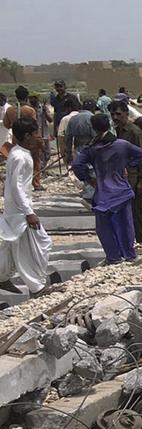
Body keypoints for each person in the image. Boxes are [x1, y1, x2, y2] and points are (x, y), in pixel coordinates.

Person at [71, 115, 142, 264]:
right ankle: (129, 254)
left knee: (105, 227)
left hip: (103, 192)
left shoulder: (92, 149)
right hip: (122, 189)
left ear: (94, 128)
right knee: (126, 224)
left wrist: (88, 179)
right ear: (109, 125)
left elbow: (77, 165)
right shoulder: (122, 144)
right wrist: (127, 164)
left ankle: (113, 256)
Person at [1, 118, 52, 294]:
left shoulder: (19, 153)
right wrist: (29, 212)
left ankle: (2, 277)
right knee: (38, 245)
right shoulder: (20, 157)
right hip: (19, 211)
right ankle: (36, 287)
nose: (39, 137)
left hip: (16, 209)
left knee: (12, 244)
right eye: (36, 133)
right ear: (27, 136)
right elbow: (16, 187)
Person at [110, 101, 142, 250]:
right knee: (135, 208)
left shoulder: (134, 132)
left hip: (138, 176)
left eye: (118, 113)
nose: (115, 117)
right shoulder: (120, 131)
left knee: (139, 209)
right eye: (113, 114)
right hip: (129, 176)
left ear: (126, 113)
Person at [64, 99, 97, 165]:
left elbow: (68, 138)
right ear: (93, 108)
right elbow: (96, 136)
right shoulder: (93, 118)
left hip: (78, 149)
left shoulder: (73, 119)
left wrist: (69, 154)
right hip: (91, 149)